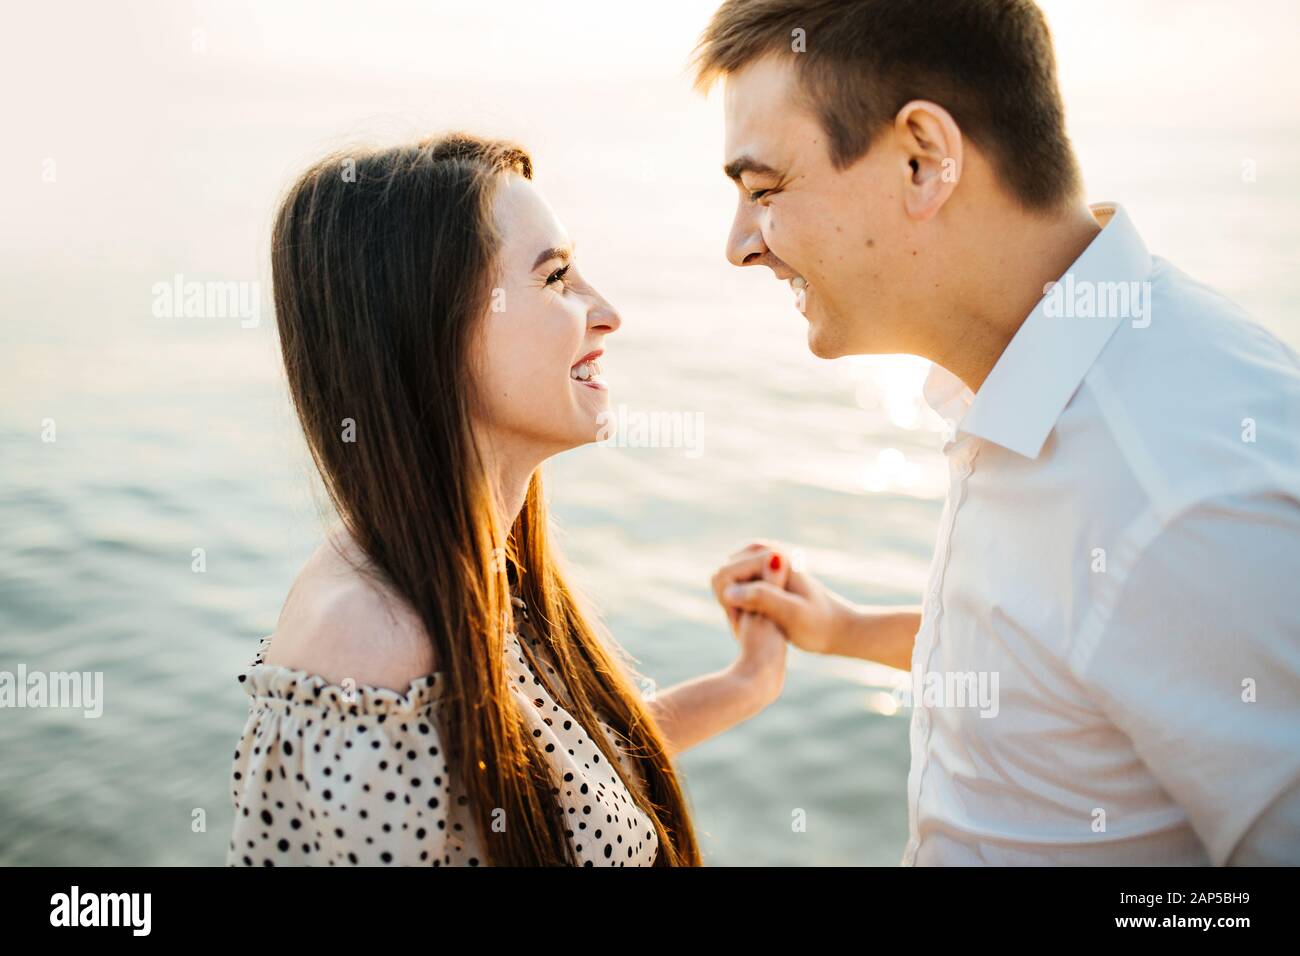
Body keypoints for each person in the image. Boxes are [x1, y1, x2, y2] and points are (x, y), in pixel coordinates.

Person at [697, 0, 1300, 865]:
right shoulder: (1040, 375)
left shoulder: (1187, 491)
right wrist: (847, 630)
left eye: (764, 191)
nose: (739, 245)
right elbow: (1079, 644)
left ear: (923, 160)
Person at [226, 133, 789, 867]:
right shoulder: (369, 647)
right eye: (556, 277)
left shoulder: (469, 562)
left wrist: (750, 680)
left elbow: (546, 784)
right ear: (430, 324)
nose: (608, 311)